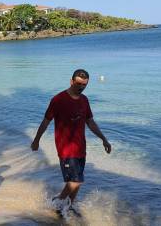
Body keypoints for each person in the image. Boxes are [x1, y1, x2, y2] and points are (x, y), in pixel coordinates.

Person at [30, 69, 112, 215]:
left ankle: (68, 206)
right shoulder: (58, 99)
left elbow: (90, 122)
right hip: (66, 149)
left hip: (81, 147)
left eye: (84, 85)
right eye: (78, 84)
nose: (81, 87)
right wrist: (36, 140)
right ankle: (57, 202)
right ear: (71, 81)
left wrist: (104, 139)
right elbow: (46, 121)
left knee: (76, 181)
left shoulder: (84, 100)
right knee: (76, 181)